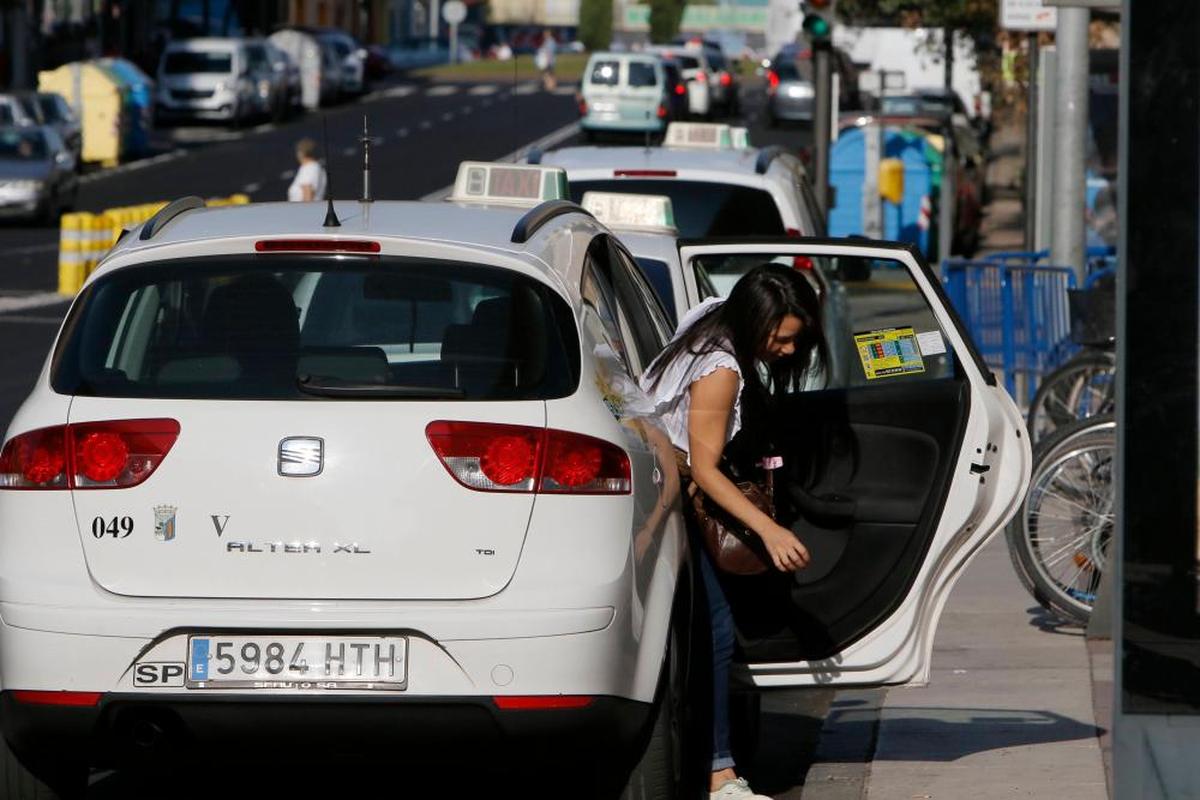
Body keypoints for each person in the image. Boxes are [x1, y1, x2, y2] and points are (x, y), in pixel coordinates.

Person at [641, 263, 828, 800]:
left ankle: (717, 762)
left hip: (663, 489)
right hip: (668, 494)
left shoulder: (710, 318)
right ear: (755, 320)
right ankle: (720, 774)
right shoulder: (722, 367)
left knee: (710, 628)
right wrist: (769, 531)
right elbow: (703, 469)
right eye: (782, 338)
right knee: (718, 630)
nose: (789, 351)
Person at [287, 137, 327, 202]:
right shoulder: (315, 167)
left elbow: (307, 192)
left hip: (301, 210)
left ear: (301, 153)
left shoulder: (309, 168)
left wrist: (305, 211)